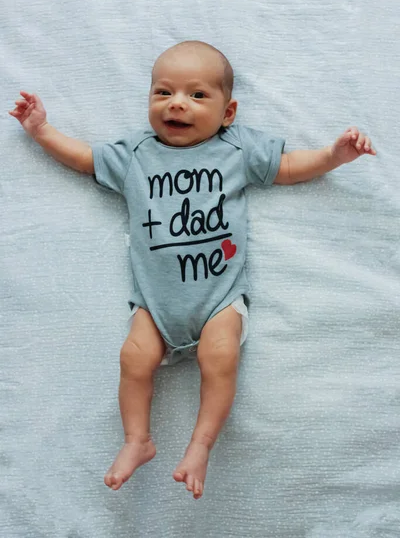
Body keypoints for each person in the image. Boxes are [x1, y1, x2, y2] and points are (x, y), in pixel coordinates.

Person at [9, 40, 376, 500]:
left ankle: (200, 445)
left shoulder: (236, 148)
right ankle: (136, 440)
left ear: (228, 112)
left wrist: (333, 156)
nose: (177, 103)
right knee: (132, 358)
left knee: (219, 356)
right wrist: (42, 131)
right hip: (154, 302)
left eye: (197, 95)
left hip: (219, 298)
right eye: (163, 93)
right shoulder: (137, 154)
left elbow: (285, 166)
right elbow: (85, 159)